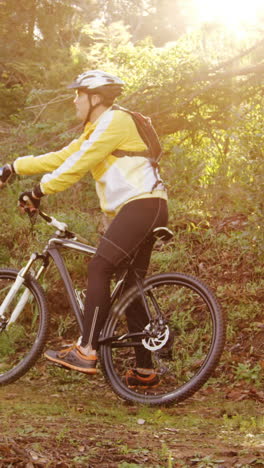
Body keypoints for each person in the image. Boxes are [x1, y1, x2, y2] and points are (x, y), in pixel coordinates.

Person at [0, 70, 168, 387]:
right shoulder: (98, 127)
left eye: (78, 93)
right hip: (147, 208)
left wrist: (38, 192)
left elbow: (77, 166)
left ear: (94, 97)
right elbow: (64, 156)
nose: (74, 99)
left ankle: (87, 349)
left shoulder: (115, 121)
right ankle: (145, 369)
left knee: (99, 268)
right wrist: (14, 166)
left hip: (140, 206)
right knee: (130, 286)